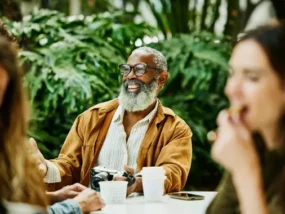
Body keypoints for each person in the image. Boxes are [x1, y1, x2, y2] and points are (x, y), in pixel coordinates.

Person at [31, 46, 193, 194]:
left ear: (162, 78)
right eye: (126, 69)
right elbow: (68, 166)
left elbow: (173, 171)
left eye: (139, 70)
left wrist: (136, 183)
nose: (130, 76)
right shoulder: (91, 118)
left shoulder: (175, 128)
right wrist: (45, 168)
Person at [0, 35, 105, 214]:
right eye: (127, 69)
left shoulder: (169, 124)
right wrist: (75, 206)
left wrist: (51, 196)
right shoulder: (93, 117)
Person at [206, 22, 285, 214]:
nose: (231, 89)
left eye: (252, 77)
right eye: (233, 74)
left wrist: (245, 173)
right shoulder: (254, 145)